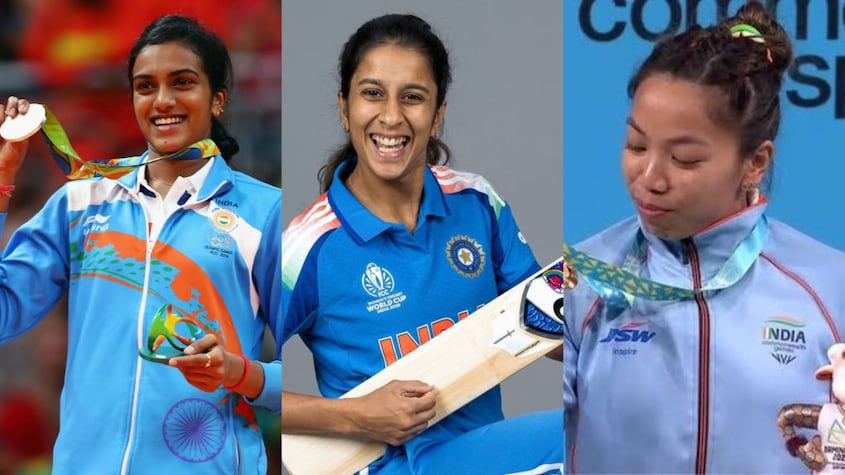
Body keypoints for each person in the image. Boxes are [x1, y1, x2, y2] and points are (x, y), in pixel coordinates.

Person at [563, 1, 845, 473]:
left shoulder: (832, 289)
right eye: (636, 146)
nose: (649, 178)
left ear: (755, 162)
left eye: (685, 159)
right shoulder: (579, 282)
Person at [281, 13, 563, 475]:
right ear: (343, 107)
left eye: (412, 98)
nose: (391, 116)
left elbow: (549, 330)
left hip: (481, 453)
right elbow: (233, 383)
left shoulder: (475, 203)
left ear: (437, 115)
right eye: (372, 94)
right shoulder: (308, 248)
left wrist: (604, 316)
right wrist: (356, 415)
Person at [0, 14, 281, 473]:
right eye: (145, 86)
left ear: (218, 100)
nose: (162, 100)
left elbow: (313, 371)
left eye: (183, 82)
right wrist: (2, 177)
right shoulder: (81, 202)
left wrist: (240, 373)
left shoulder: (264, 214)